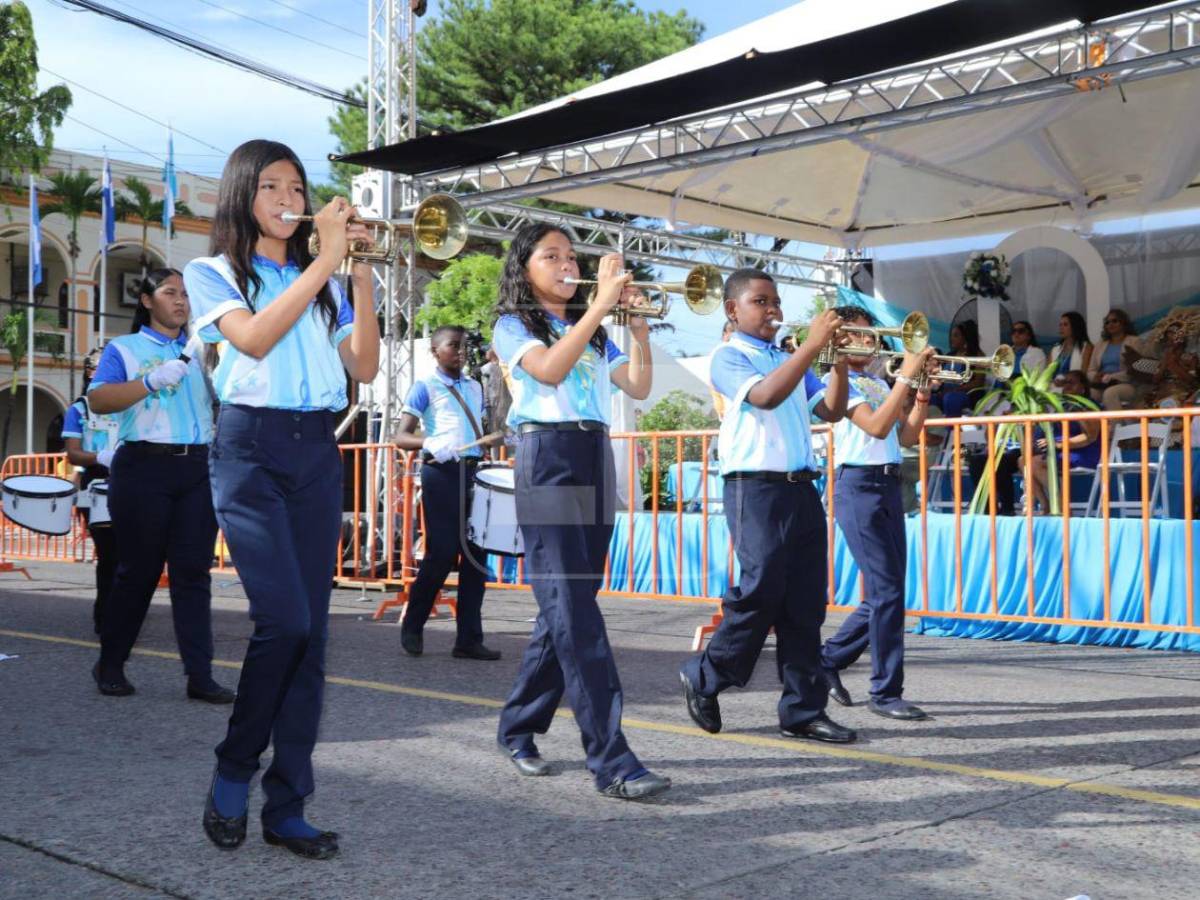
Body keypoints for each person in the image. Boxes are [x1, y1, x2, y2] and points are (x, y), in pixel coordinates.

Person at [184, 139, 380, 860]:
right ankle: (235, 765)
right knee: (285, 622)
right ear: (243, 195)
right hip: (249, 448)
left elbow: (362, 365)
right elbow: (256, 340)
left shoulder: (323, 278)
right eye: (271, 186)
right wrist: (329, 259)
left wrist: (357, 273)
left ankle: (288, 804)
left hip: (314, 450)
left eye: (296, 185)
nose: (288, 198)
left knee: (313, 640)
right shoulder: (210, 274)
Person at [492, 223, 669, 800]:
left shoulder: (590, 330)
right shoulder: (513, 325)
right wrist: (598, 307)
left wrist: (638, 330)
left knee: (568, 604)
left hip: (593, 452)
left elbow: (638, 386)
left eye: (571, 255)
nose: (567, 264)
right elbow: (548, 371)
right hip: (546, 455)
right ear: (525, 268)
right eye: (552, 256)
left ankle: (518, 724)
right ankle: (612, 760)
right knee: (573, 611)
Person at [680, 269, 855, 744]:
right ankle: (706, 673)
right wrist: (811, 349)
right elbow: (766, 395)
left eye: (776, 301)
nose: (773, 309)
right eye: (760, 301)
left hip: (800, 488)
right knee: (761, 590)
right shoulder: (729, 356)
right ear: (733, 310)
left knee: (804, 603)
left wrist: (837, 361)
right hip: (754, 489)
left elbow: (833, 410)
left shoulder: (789, 357)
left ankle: (802, 711)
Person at [87, 269, 229, 706]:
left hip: (197, 468)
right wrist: (148, 381)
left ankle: (199, 676)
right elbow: (98, 399)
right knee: (139, 572)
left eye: (186, 294)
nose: (181, 301)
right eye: (170, 292)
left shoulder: (204, 348)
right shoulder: (124, 348)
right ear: (147, 300)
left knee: (192, 574)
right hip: (143, 466)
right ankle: (110, 663)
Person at [814, 306, 936, 720]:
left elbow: (908, 434)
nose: (867, 341)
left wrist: (921, 393)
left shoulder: (878, 381)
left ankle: (827, 660)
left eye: (870, 334)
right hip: (858, 487)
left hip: (887, 483)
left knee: (889, 593)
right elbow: (876, 427)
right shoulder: (838, 381)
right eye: (856, 335)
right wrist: (906, 375)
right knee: (886, 593)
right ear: (838, 340)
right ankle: (885, 692)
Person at [394, 325, 499, 661]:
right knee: (442, 553)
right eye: (453, 346)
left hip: (474, 472)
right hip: (441, 471)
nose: (461, 351)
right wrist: (431, 442)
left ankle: (468, 639)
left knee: (476, 556)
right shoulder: (425, 386)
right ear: (435, 351)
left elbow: (488, 430)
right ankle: (413, 623)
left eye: (464, 346)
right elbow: (401, 436)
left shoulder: (475, 386)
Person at [61, 348, 120, 634]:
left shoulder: (130, 405)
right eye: (104, 366)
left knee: (134, 555)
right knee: (109, 553)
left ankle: (125, 610)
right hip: (96, 487)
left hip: (131, 483)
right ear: (91, 372)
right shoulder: (79, 409)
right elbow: (73, 454)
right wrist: (98, 458)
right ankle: (106, 615)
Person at [1023, 369, 1100, 514]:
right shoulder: (1061, 407)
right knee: (1023, 460)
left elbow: (1090, 436)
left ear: (1083, 388)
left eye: (1071, 383)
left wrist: (1058, 444)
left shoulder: (1089, 406)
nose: (1067, 387)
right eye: (1064, 383)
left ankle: (1062, 506)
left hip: (1082, 451)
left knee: (1034, 462)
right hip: (1059, 450)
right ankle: (1046, 504)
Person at [1087, 309, 1147, 409]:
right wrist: (1095, 376)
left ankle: (1116, 424)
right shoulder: (1100, 344)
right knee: (1089, 392)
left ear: (1123, 323)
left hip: (1127, 384)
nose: (1111, 324)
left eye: (1115, 321)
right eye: (1107, 322)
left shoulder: (1135, 342)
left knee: (1110, 393)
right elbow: (1090, 370)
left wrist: (1112, 377)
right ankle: (1095, 424)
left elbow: (1137, 369)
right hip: (1102, 384)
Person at [932, 321, 984, 417]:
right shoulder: (949, 355)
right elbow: (940, 377)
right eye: (952, 336)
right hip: (946, 393)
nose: (952, 339)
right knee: (930, 398)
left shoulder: (976, 355)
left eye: (956, 336)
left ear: (965, 338)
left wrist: (957, 389)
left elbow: (978, 382)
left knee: (951, 398)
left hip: (966, 395)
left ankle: (952, 430)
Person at [1048, 312, 1093, 387]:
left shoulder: (1086, 347)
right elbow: (1047, 374)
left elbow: (1083, 374)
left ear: (1075, 326)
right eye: (1060, 325)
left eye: (1065, 325)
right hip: (1053, 387)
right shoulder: (1055, 349)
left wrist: (1066, 382)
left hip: (1072, 388)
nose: (1061, 328)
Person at [479, 344, 512, 448]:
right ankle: (497, 455)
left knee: (504, 431)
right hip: (491, 404)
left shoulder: (504, 366)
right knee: (495, 433)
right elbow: (486, 389)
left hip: (504, 403)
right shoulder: (486, 368)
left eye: (488, 350)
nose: (486, 353)